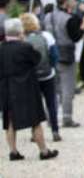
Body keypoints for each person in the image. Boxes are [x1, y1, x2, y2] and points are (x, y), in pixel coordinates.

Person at [0, 18, 59, 161]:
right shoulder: (25, 47)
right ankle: (44, 151)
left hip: (6, 88)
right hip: (26, 87)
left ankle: (13, 152)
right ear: (20, 31)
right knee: (35, 120)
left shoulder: (1, 48)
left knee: (10, 122)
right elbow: (37, 59)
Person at [43, 0, 84, 128]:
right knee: (67, 88)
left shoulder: (47, 16)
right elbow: (76, 37)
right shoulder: (70, 18)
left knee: (53, 89)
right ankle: (67, 117)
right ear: (65, 2)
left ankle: (50, 117)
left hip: (50, 55)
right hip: (66, 55)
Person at [19, 13, 61, 142]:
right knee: (51, 103)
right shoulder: (46, 36)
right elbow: (55, 55)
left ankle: (34, 133)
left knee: (34, 105)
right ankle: (55, 130)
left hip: (31, 77)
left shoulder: (23, 40)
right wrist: (52, 67)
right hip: (48, 75)